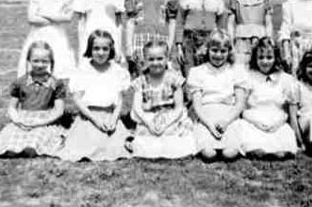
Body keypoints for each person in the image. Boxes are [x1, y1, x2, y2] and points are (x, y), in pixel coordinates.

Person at [0, 41, 66, 157]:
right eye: (36, 61)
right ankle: (13, 149)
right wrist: (18, 120)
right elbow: (12, 107)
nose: (40, 65)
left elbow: (59, 111)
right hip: (24, 118)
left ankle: (31, 148)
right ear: (29, 60)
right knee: (12, 136)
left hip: (44, 120)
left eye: (44, 61)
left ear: (50, 62)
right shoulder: (20, 82)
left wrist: (40, 122)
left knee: (36, 138)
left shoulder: (56, 83)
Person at [57, 30, 131, 161]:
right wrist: (95, 120)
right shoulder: (83, 70)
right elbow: (77, 99)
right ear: (90, 49)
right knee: (88, 143)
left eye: (105, 49)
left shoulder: (117, 71)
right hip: (89, 117)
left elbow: (119, 100)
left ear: (111, 50)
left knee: (114, 144)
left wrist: (114, 119)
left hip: (109, 116)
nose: (101, 53)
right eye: (96, 48)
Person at [128, 41, 196, 159]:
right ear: (145, 60)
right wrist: (149, 123)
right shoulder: (141, 81)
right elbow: (137, 108)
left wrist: (167, 123)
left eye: (160, 59)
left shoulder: (174, 79)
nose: (156, 63)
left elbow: (179, 107)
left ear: (167, 59)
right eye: (151, 59)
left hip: (170, 116)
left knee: (173, 135)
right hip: (150, 117)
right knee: (148, 136)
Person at [187, 29, 246, 161]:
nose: (218, 55)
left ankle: (230, 143)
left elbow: (239, 103)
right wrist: (208, 124)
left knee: (229, 153)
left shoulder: (236, 71)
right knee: (209, 153)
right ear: (207, 50)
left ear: (229, 52)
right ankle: (206, 142)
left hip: (228, 116)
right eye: (214, 50)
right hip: (205, 116)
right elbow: (197, 105)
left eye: (223, 51)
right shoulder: (197, 72)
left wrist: (226, 121)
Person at [235, 37, 298, 159]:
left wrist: (279, 122)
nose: (265, 61)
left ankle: (280, 150)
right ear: (255, 59)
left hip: (276, 118)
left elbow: (287, 110)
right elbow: (242, 108)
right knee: (247, 130)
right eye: (261, 58)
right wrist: (255, 122)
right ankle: (256, 149)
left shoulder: (285, 79)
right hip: (254, 118)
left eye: (269, 58)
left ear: (276, 58)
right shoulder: (248, 77)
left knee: (284, 133)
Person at [17, 0, 75, 79]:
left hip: (57, 36)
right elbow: (32, 19)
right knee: (38, 63)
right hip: (39, 35)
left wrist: (44, 14)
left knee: (57, 68)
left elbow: (68, 17)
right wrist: (56, 19)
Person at [124, 0, 179, 77]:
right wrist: (129, 47)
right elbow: (130, 22)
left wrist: (169, 44)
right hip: (139, 39)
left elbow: (172, 22)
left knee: (160, 73)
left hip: (161, 38)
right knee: (140, 73)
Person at [175, 0, 226, 77]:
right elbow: (179, 23)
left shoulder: (217, 2)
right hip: (189, 41)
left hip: (209, 41)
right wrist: (179, 46)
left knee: (207, 73)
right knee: (190, 73)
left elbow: (222, 28)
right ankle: (189, 94)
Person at [227, 0, 273, 66]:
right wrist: (231, 41)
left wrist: (269, 38)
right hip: (241, 39)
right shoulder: (236, 0)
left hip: (260, 38)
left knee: (258, 65)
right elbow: (230, 23)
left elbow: (268, 22)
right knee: (241, 64)